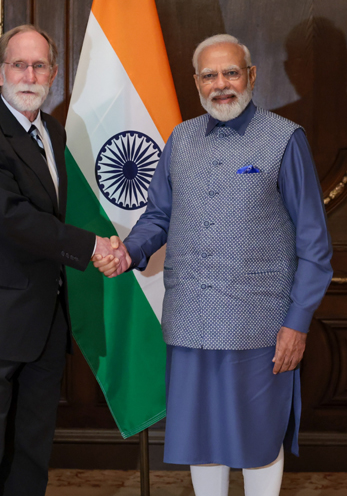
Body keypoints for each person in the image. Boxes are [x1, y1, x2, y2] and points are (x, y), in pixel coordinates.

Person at [94, 34, 332, 496]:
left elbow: (315, 246)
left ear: (251, 76)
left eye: (231, 72)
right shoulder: (180, 138)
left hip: (260, 328)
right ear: (196, 82)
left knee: (258, 438)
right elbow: (159, 216)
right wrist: (129, 252)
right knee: (200, 438)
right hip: (189, 325)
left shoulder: (285, 139)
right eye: (209, 75)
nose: (221, 84)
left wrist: (297, 324)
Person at [0, 25, 128, 495]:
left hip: (43, 325)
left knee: (28, 462)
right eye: (19, 65)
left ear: (54, 73)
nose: (29, 74)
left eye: (39, 65)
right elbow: (14, 219)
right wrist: (92, 247)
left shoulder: (52, 131)